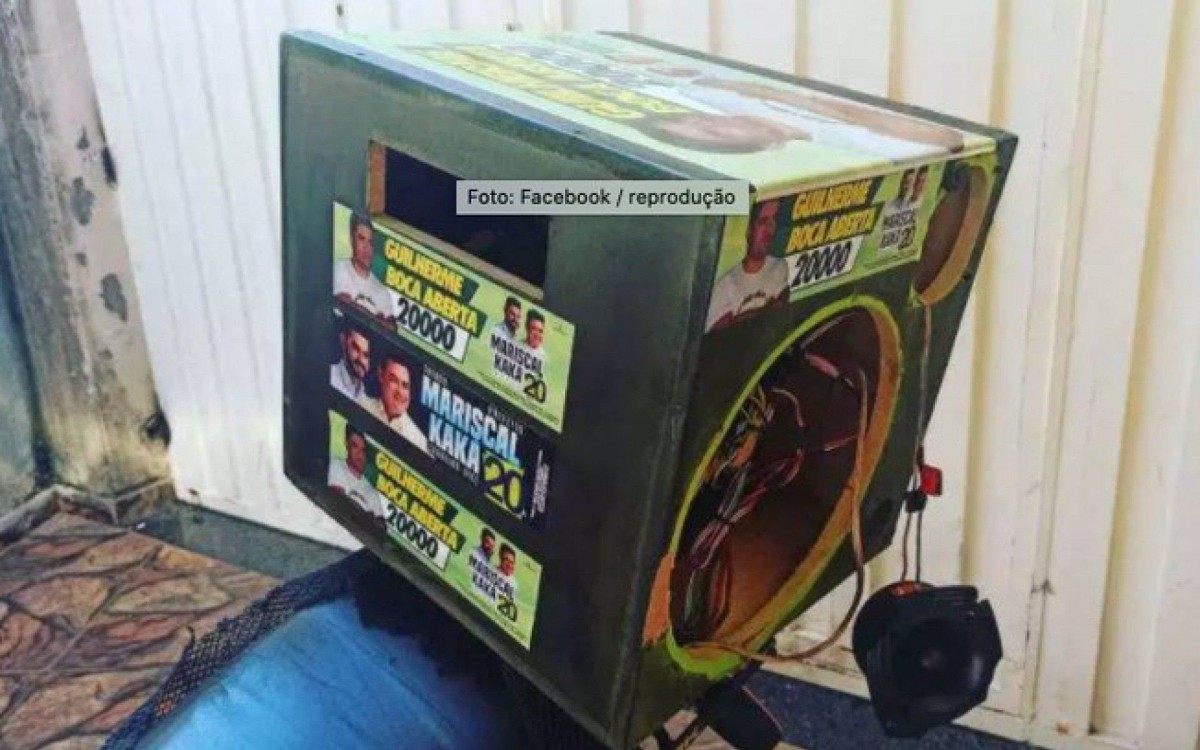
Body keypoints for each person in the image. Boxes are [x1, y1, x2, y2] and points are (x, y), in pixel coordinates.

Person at [705, 200, 789, 331]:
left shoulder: (779, 267)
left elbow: (780, 311)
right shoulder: (724, 287)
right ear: (749, 230)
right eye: (763, 222)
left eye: (772, 224)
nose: (768, 231)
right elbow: (719, 334)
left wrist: (741, 318)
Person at [333, 211, 396, 321]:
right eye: (361, 239)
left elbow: (391, 326)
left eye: (370, 242)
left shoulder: (382, 292)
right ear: (352, 240)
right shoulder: (338, 270)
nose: (367, 248)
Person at [364, 354, 430, 454]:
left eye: (405, 386)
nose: (400, 392)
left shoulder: (419, 441)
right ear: (381, 376)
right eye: (394, 380)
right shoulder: (362, 403)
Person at [327, 423, 386, 521]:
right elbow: (336, 503)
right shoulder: (334, 464)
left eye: (364, 450)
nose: (360, 454)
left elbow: (377, 524)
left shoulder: (373, 494)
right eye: (355, 446)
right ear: (346, 444)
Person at [330, 322, 370, 401]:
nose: (361, 360)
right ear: (343, 341)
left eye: (366, 355)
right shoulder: (329, 376)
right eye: (356, 348)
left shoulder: (366, 399)